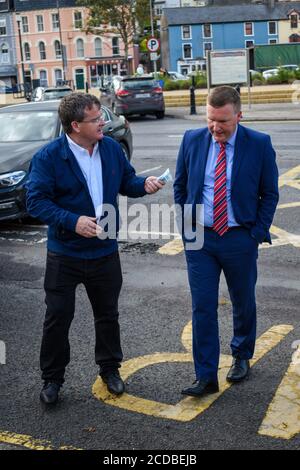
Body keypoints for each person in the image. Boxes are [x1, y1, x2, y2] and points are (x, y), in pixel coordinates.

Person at [26, 93, 164, 405]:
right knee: (58, 317)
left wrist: (145, 184)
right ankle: (52, 379)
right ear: (75, 125)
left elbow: (126, 181)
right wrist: (71, 221)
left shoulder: (111, 149)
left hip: (104, 251)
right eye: (95, 119)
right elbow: (35, 201)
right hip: (65, 254)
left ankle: (110, 369)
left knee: (107, 314)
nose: (103, 122)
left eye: (101, 116)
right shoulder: (49, 157)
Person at [174, 86, 279, 397]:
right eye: (210, 120)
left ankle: (241, 355)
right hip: (201, 239)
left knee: (242, 300)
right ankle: (205, 375)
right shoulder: (192, 139)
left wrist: (255, 234)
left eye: (223, 121)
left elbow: (270, 193)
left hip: (239, 237)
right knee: (202, 306)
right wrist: (186, 227)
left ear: (238, 115)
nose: (215, 128)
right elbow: (180, 186)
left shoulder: (259, 144)